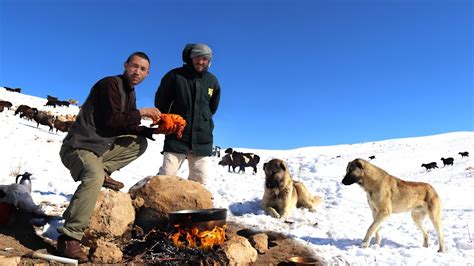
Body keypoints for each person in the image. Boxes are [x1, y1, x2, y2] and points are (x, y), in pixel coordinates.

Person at [56, 52, 161, 262]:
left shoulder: (130, 94)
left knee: (138, 143)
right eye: (134, 66)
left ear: (148, 74)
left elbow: (127, 125)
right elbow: (112, 121)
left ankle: (103, 169)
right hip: (79, 147)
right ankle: (69, 237)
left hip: (100, 150)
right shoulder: (110, 84)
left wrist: (152, 131)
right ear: (125, 65)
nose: (137, 72)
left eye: (142, 69)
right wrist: (142, 112)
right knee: (93, 177)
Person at [154, 44, 221, 184]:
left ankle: (195, 206)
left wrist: (204, 120)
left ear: (209, 61)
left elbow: (212, 108)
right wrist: (168, 118)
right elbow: (161, 101)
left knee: (200, 179)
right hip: (177, 134)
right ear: (190, 57)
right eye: (198, 57)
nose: (201, 62)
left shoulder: (212, 81)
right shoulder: (174, 76)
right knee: (167, 175)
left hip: (202, 138)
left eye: (205, 59)